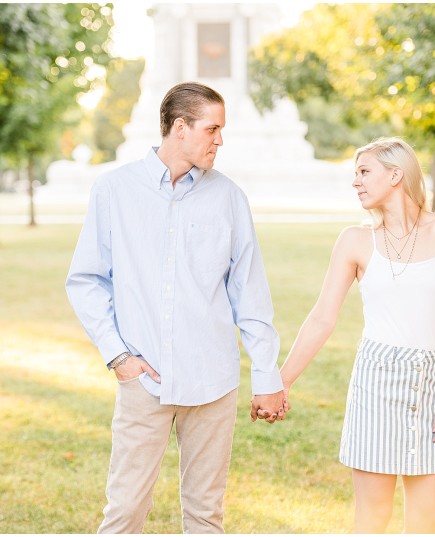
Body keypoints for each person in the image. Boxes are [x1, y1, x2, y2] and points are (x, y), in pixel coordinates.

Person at [65, 81, 286, 534]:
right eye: (213, 129)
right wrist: (119, 356)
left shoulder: (229, 198)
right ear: (180, 128)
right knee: (124, 512)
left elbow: (250, 294)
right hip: (144, 382)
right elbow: (86, 280)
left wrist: (266, 375)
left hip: (213, 383)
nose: (219, 140)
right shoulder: (114, 191)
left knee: (206, 515)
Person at [279, 137, 435, 533]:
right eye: (356, 174)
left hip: (431, 385)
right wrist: (280, 383)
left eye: (364, 172)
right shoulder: (355, 240)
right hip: (375, 385)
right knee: (372, 518)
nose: (356, 182)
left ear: (396, 174)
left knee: (426, 518)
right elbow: (321, 318)